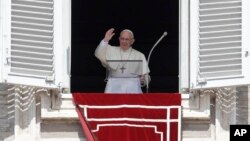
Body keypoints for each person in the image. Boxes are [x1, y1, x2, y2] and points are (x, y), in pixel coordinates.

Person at [95, 28, 150, 93]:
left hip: (132, 87)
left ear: (132, 41)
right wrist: (105, 40)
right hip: (113, 87)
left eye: (127, 39)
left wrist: (143, 80)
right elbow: (98, 54)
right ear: (119, 39)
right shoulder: (111, 50)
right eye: (122, 39)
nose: (124, 41)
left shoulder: (139, 55)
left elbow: (146, 76)